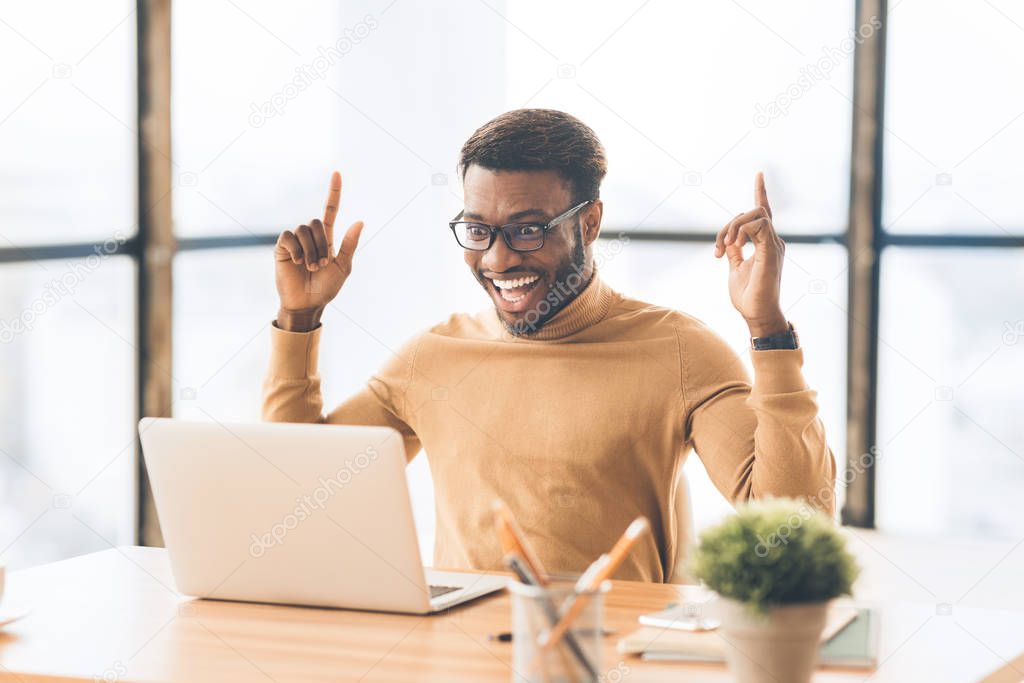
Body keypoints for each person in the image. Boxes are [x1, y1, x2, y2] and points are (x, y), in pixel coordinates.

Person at [263, 108, 835, 582]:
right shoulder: (432, 358)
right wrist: (299, 318)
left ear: (589, 223)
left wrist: (768, 329)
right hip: (463, 660)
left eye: (528, 229)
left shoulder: (679, 350)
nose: (497, 258)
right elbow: (301, 500)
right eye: (479, 229)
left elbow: (796, 528)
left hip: (617, 659)